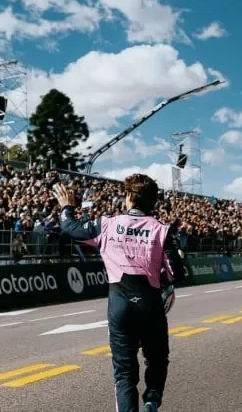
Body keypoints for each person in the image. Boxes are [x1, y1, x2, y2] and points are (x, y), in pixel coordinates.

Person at [53, 174, 183, 412]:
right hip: (150, 303)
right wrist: (163, 280)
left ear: (130, 197)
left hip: (120, 303)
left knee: (124, 373)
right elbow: (178, 272)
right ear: (152, 202)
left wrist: (67, 207)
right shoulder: (162, 231)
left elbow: (69, 228)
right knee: (157, 360)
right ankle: (152, 402)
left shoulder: (107, 224)